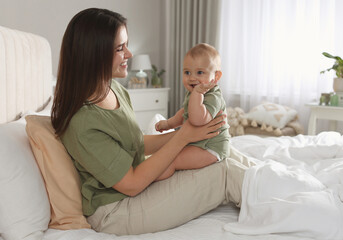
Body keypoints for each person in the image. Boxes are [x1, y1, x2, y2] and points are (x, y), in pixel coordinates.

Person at [51, 8, 255, 236]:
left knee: (223, 151)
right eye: (120, 48)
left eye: (126, 44)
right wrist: (185, 136)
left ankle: (273, 181)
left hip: (137, 187)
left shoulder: (114, 89)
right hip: (115, 210)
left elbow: (135, 143)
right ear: (94, 54)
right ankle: (282, 205)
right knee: (224, 172)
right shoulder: (82, 122)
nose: (129, 54)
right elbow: (130, 183)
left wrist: (197, 136)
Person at [155, 43, 230, 180]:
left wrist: (197, 94)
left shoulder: (213, 96)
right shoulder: (195, 92)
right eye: (187, 72)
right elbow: (185, 112)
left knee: (172, 160)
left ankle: (150, 180)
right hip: (197, 142)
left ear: (216, 76)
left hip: (210, 148)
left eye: (200, 72)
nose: (192, 78)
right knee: (165, 152)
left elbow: (197, 119)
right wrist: (168, 124)